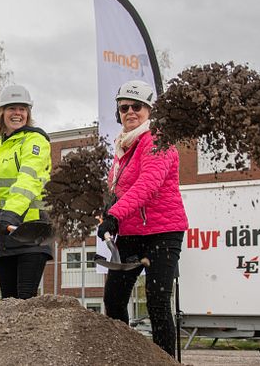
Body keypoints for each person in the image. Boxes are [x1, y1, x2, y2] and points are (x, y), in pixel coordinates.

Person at [98, 80, 188, 357]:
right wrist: (107, 211)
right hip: (131, 234)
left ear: (149, 110)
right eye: (124, 107)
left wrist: (115, 214)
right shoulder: (124, 148)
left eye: (137, 106)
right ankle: (124, 358)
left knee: (158, 301)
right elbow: (120, 189)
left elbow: (148, 185)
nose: (130, 112)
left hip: (163, 232)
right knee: (113, 301)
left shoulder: (157, 140)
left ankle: (165, 361)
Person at [0, 84, 53, 300]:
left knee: (24, 300)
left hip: (32, 230)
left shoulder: (35, 141)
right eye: (12, 108)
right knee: (8, 303)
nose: (17, 113)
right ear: (1, 113)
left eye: (22, 109)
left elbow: (28, 180)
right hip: (5, 233)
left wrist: (11, 212)